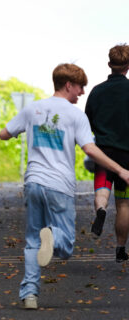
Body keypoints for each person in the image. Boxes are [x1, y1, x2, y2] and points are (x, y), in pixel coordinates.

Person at [0, 63, 129, 310]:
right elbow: (90, 149)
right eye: (80, 87)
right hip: (59, 185)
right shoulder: (75, 115)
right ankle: (54, 235)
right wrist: (120, 170)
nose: (81, 93)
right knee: (66, 244)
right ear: (68, 84)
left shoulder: (32, 109)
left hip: (34, 182)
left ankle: (29, 295)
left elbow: (4, 133)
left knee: (31, 241)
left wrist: (17, 132)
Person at [85, 44, 129, 261]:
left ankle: (100, 210)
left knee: (102, 191)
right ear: (127, 67)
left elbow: (88, 123)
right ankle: (120, 249)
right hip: (127, 156)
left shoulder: (96, 91)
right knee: (123, 203)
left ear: (110, 65)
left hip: (103, 152)